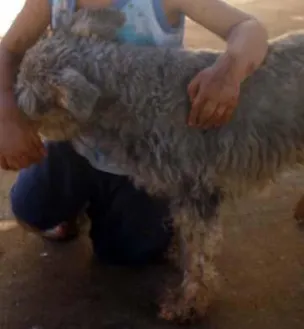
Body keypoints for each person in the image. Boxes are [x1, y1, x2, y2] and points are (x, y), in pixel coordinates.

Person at [0, 0, 268, 265]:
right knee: (28, 209)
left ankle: (149, 215)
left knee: (128, 254)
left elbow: (248, 26)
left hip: (141, 162)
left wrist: (230, 70)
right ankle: (78, 206)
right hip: (75, 146)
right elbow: (8, 50)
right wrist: (6, 114)